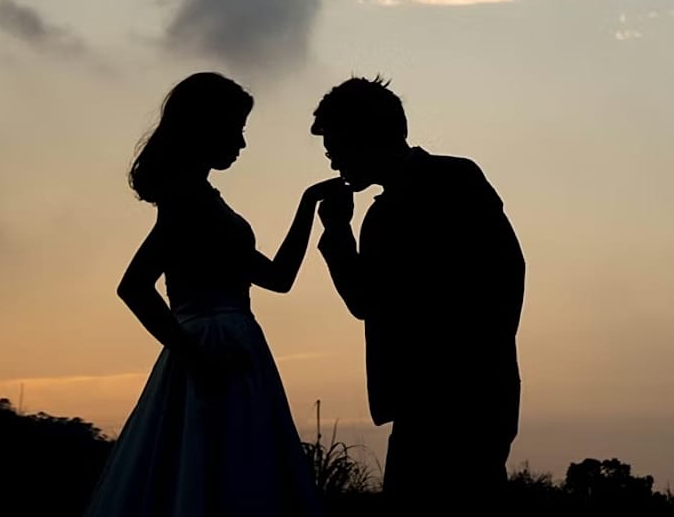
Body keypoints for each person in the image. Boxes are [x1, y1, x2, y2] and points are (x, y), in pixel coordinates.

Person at [85, 72, 335, 517]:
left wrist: (308, 204)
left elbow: (278, 277)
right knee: (219, 470)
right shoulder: (186, 200)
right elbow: (134, 287)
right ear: (205, 128)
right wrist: (196, 358)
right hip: (213, 345)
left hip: (230, 343)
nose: (241, 143)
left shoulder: (202, 201)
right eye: (235, 128)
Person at [311, 76, 525, 513]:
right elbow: (366, 301)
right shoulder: (386, 213)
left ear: (366, 138)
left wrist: (482, 356)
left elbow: (506, 272)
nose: (332, 160)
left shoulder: (456, 180)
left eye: (337, 147)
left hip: (465, 396)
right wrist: (338, 233)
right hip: (430, 400)